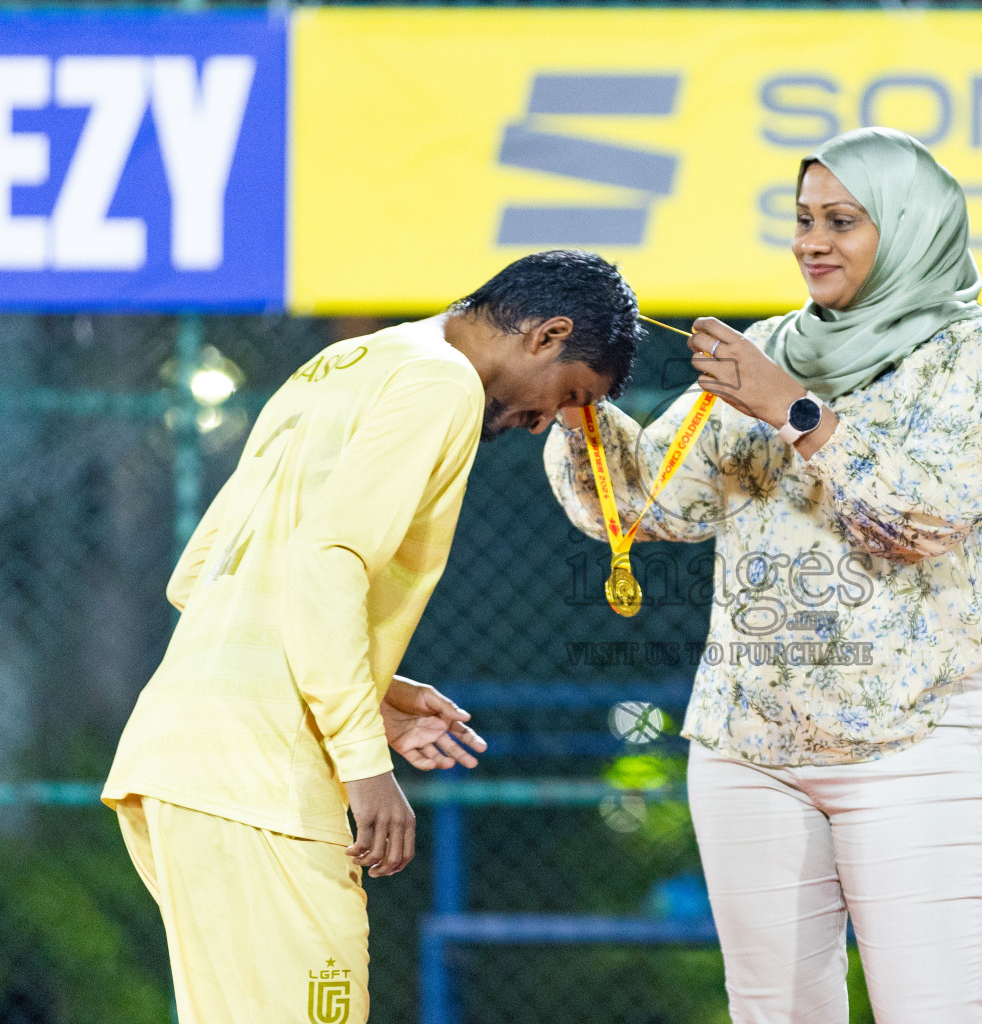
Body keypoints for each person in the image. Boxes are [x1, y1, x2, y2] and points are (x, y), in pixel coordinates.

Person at [545, 127, 982, 1023]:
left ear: (909, 226)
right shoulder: (772, 345)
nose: (812, 241)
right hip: (750, 745)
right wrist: (578, 400)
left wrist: (787, 407)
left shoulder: (975, 353)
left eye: (842, 221)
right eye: (803, 218)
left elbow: (923, 518)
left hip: (916, 735)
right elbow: (653, 506)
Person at [103, 249, 640, 1023]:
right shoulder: (443, 382)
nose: (544, 422)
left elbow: (202, 576)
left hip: (182, 759)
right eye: (569, 396)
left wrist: (374, 690)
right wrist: (363, 762)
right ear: (547, 335)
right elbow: (326, 560)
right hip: (264, 779)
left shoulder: (345, 362)